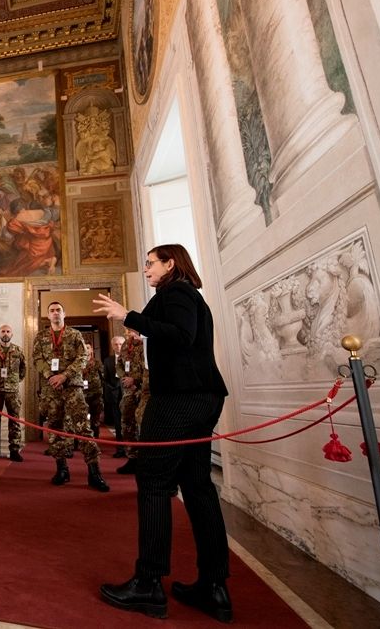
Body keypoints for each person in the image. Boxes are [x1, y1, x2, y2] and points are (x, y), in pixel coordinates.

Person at [93, 244, 231, 622]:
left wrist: (128, 314)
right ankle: (214, 587)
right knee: (198, 485)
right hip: (202, 397)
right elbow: (162, 327)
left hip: (178, 401)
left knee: (153, 482)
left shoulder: (178, 292)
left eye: (151, 262)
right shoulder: (178, 295)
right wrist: (133, 319)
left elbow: (180, 334)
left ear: (171, 263)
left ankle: (148, 584)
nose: (147, 268)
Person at [32, 302, 109, 492]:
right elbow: (37, 359)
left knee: (83, 427)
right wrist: (51, 376)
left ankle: (94, 472)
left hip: (72, 386)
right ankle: (62, 469)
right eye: (52, 311)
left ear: (64, 314)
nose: (55, 313)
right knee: (56, 428)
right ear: (48, 316)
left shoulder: (75, 335)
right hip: (51, 388)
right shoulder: (41, 336)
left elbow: (82, 357)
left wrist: (64, 375)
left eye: (58, 310)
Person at [0, 324, 25, 462]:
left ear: (12, 334)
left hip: (12, 390)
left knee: (14, 420)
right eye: (3, 331)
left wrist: (14, 381)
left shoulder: (18, 351)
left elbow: (23, 370)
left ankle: (14, 449)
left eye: (8, 331)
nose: (5, 333)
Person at [116, 328, 148, 475]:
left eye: (131, 329)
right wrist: (124, 378)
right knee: (127, 422)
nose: (128, 332)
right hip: (129, 390)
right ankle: (133, 458)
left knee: (145, 423)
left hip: (145, 389)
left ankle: (148, 461)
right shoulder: (125, 345)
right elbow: (119, 364)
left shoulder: (145, 343)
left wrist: (135, 380)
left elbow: (150, 367)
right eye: (126, 330)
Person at [103, 336, 126, 458]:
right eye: (116, 344)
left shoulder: (130, 358)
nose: (118, 346)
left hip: (128, 394)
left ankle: (133, 449)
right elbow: (105, 379)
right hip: (115, 396)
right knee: (118, 423)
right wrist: (112, 391)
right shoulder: (108, 361)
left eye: (121, 344)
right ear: (112, 346)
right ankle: (120, 449)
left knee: (131, 422)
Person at [82, 342, 104, 439]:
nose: (86, 350)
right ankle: (83, 438)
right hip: (82, 394)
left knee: (95, 418)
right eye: (84, 347)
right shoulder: (79, 363)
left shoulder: (97, 363)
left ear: (91, 350)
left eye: (88, 348)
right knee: (82, 417)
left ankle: (95, 437)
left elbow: (103, 377)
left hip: (96, 394)